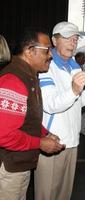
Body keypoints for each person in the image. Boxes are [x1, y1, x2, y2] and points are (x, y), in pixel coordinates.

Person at [35, 21, 85, 200]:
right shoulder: (46, 66)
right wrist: (73, 90)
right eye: (67, 38)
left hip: (72, 140)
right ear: (54, 41)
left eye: (75, 39)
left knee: (64, 194)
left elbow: (76, 102)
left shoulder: (73, 66)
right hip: (53, 140)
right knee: (46, 195)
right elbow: (50, 104)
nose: (72, 43)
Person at [0, 27, 65, 200]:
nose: (50, 55)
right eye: (47, 50)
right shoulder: (14, 80)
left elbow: (27, 117)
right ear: (29, 51)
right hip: (8, 167)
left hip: (18, 163)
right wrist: (40, 143)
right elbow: (4, 135)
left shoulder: (27, 75)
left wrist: (45, 133)